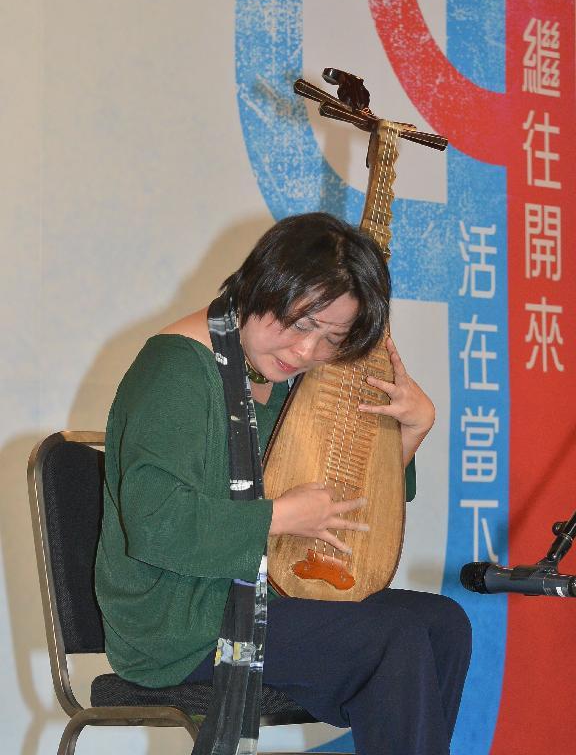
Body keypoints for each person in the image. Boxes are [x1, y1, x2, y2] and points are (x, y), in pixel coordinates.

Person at [95, 213, 471, 755]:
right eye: (299, 322)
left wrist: (411, 433)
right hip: (177, 620)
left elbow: (338, 505)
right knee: (394, 639)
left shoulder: (277, 373)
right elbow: (157, 525)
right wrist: (282, 517)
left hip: (259, 590)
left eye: (331, 337)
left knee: (443, 624)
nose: (305, 351)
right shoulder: (177, 366)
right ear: (260, 284)